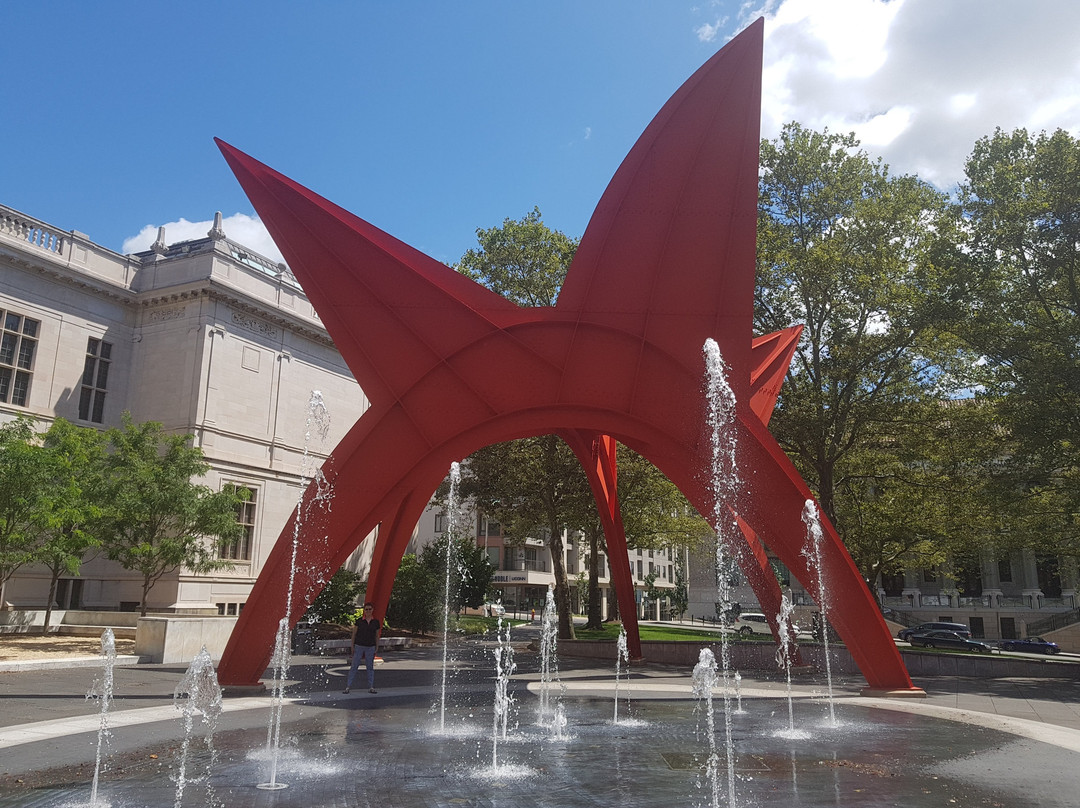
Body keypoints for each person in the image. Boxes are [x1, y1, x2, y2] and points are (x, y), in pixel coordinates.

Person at [344, 602, 381, 694]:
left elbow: (376, 635)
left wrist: (377, 646)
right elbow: (354, 634)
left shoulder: (376, 622)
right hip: (359, 646)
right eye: (366, 609)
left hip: (370, 646)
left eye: (369, 609)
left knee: (370, 667)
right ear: (364, 611)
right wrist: (352, 646)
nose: (368, 611)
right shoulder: (359, 621)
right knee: (354, 666)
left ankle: (371, 687)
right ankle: (348, 686)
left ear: (372, 610)